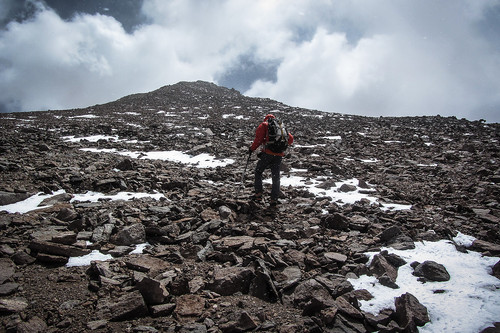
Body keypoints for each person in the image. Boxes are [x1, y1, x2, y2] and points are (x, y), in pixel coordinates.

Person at [249, 114, 293, 206]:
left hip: (268, 153)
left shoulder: (264, 125)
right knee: (275, 176)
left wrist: (252, 149)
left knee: (258, 172)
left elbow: (258, 139)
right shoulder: (281, 127)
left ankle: (258, 195)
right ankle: (274, 199)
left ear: (266, 119)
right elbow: (290, 139)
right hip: (279, 155)